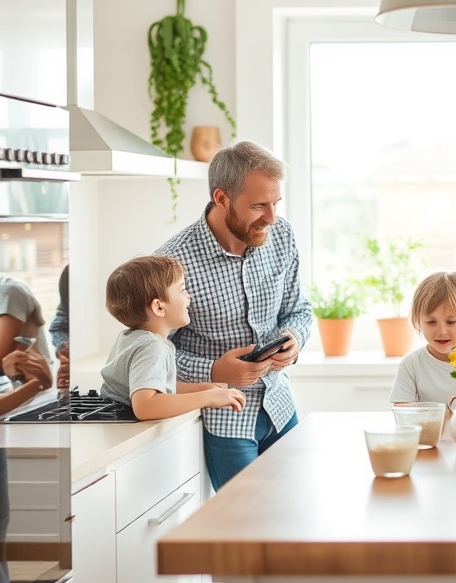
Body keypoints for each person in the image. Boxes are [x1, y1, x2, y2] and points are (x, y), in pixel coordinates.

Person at [157, 141, 313, 490]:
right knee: (249, 526)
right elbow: (153, 356)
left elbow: (299, 309)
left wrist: (294, 340)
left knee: (296, 514)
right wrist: (214, 370)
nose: (271, 218)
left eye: (276, 204)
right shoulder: (171, 264)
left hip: (280, 406)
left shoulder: (281, 235)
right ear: (222, 198)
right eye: (259, 206)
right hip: (226, 420)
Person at [99, 255, 246, 420]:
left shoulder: (133, 337)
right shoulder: (152, 347)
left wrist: (203, 388)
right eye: (182, 289)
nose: (189, 296)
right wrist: (208, 398)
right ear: (159, 307)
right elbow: (146, 406)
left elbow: (158, 386)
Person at [389, 271, 456, 405]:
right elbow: (402, 410)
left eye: (451, 321)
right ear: (418, 321)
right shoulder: (412, 364)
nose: (441, 331)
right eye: (431, 322)